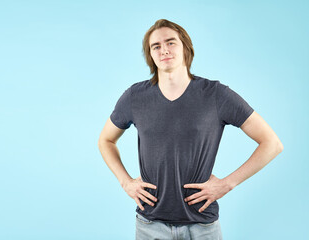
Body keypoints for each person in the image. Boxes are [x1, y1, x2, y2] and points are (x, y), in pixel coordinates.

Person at [97, 19, 284, 240]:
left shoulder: (216, 95)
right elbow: (105, 141)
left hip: (202, 226)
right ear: (150, 54)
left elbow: (272, 143)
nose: (164, 50)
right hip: (150, 225)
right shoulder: (135, 97)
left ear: (186, 47)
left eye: (171, 42)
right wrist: (125, 182)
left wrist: (227, 184)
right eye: (155, 46)